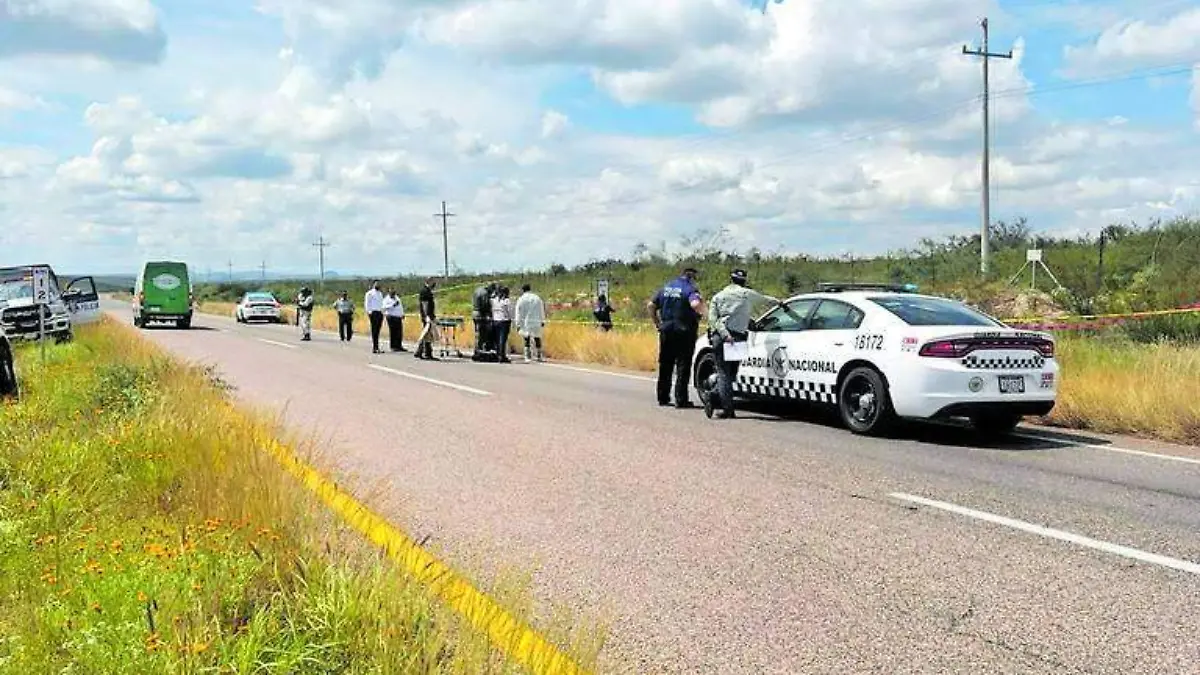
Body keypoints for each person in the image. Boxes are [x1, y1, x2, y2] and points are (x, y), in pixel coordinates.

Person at [705, 269, 781, 419]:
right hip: (736, 337)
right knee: (729, 374)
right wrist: (779, 302)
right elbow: (765, 299)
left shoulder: (718, 296)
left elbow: (713, 320)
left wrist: (725, 334)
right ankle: (728, 410)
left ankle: (712, 396)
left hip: (722, 337)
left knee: (727, 374)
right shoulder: (747, 294)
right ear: (744, 281)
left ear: (731, 280)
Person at [647, 267, 704, 408]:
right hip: (684, 332)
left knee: (665, 365)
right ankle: (681, 399)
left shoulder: (666, 287)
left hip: (666, 330)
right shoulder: (690, 289)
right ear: (691, 276)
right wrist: (702, 313)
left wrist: (657, 323)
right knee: (683, 366)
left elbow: (651, 305)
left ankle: (663, 397)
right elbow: (695, 304)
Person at [513, 283, 546, 363]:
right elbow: (541, 309)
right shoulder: (537, 298)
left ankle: (528, 357)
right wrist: (542, 320)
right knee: (537, 337)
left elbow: (518, 312)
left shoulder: (521, 299)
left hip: (526, 322)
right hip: (536, 320)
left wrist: (517, 323)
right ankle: (539, 356)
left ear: (523, 290)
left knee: (526, 338)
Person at [415, 277, 440, 361]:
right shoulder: (424, 291)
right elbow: (424, 304)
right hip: (427, 317)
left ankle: (419, 351)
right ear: (428, 282)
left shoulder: (428, 291)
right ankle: (427, 353)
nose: (434, 284)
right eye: (433, 282)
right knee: (427, 335)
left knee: (426, 335)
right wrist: (427, 316)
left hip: (429, 316)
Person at [471, 281, 497, 358]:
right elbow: (485, 305)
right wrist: (489, 314)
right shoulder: (485, 293)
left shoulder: (477, 290)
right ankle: (479, 351)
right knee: (482, 334)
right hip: (481, 315)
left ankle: (476, 350)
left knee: (477, 333)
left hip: (474, 313)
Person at [491, 286, 513, 363]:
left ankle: (498, 354)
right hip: (504, 321)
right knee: (502, 339)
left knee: (497, 339)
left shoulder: (494, 300)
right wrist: (511, 319)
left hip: (495, 320)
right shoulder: (507, 301)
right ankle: (502, 356)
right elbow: (510, 312)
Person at [364, 280, 385, 354]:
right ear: (373, 284)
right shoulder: (369, 293)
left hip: (380, 312)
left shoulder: (380, 293)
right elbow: (367, 303)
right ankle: (375, 347)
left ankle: (377, 347)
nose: (378, 285)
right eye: (376, 283)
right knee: (374, 330)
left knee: (378, 331)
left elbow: (382, 303)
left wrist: (383, 312)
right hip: (374, 312)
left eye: (379, 284)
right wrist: (369, 312)